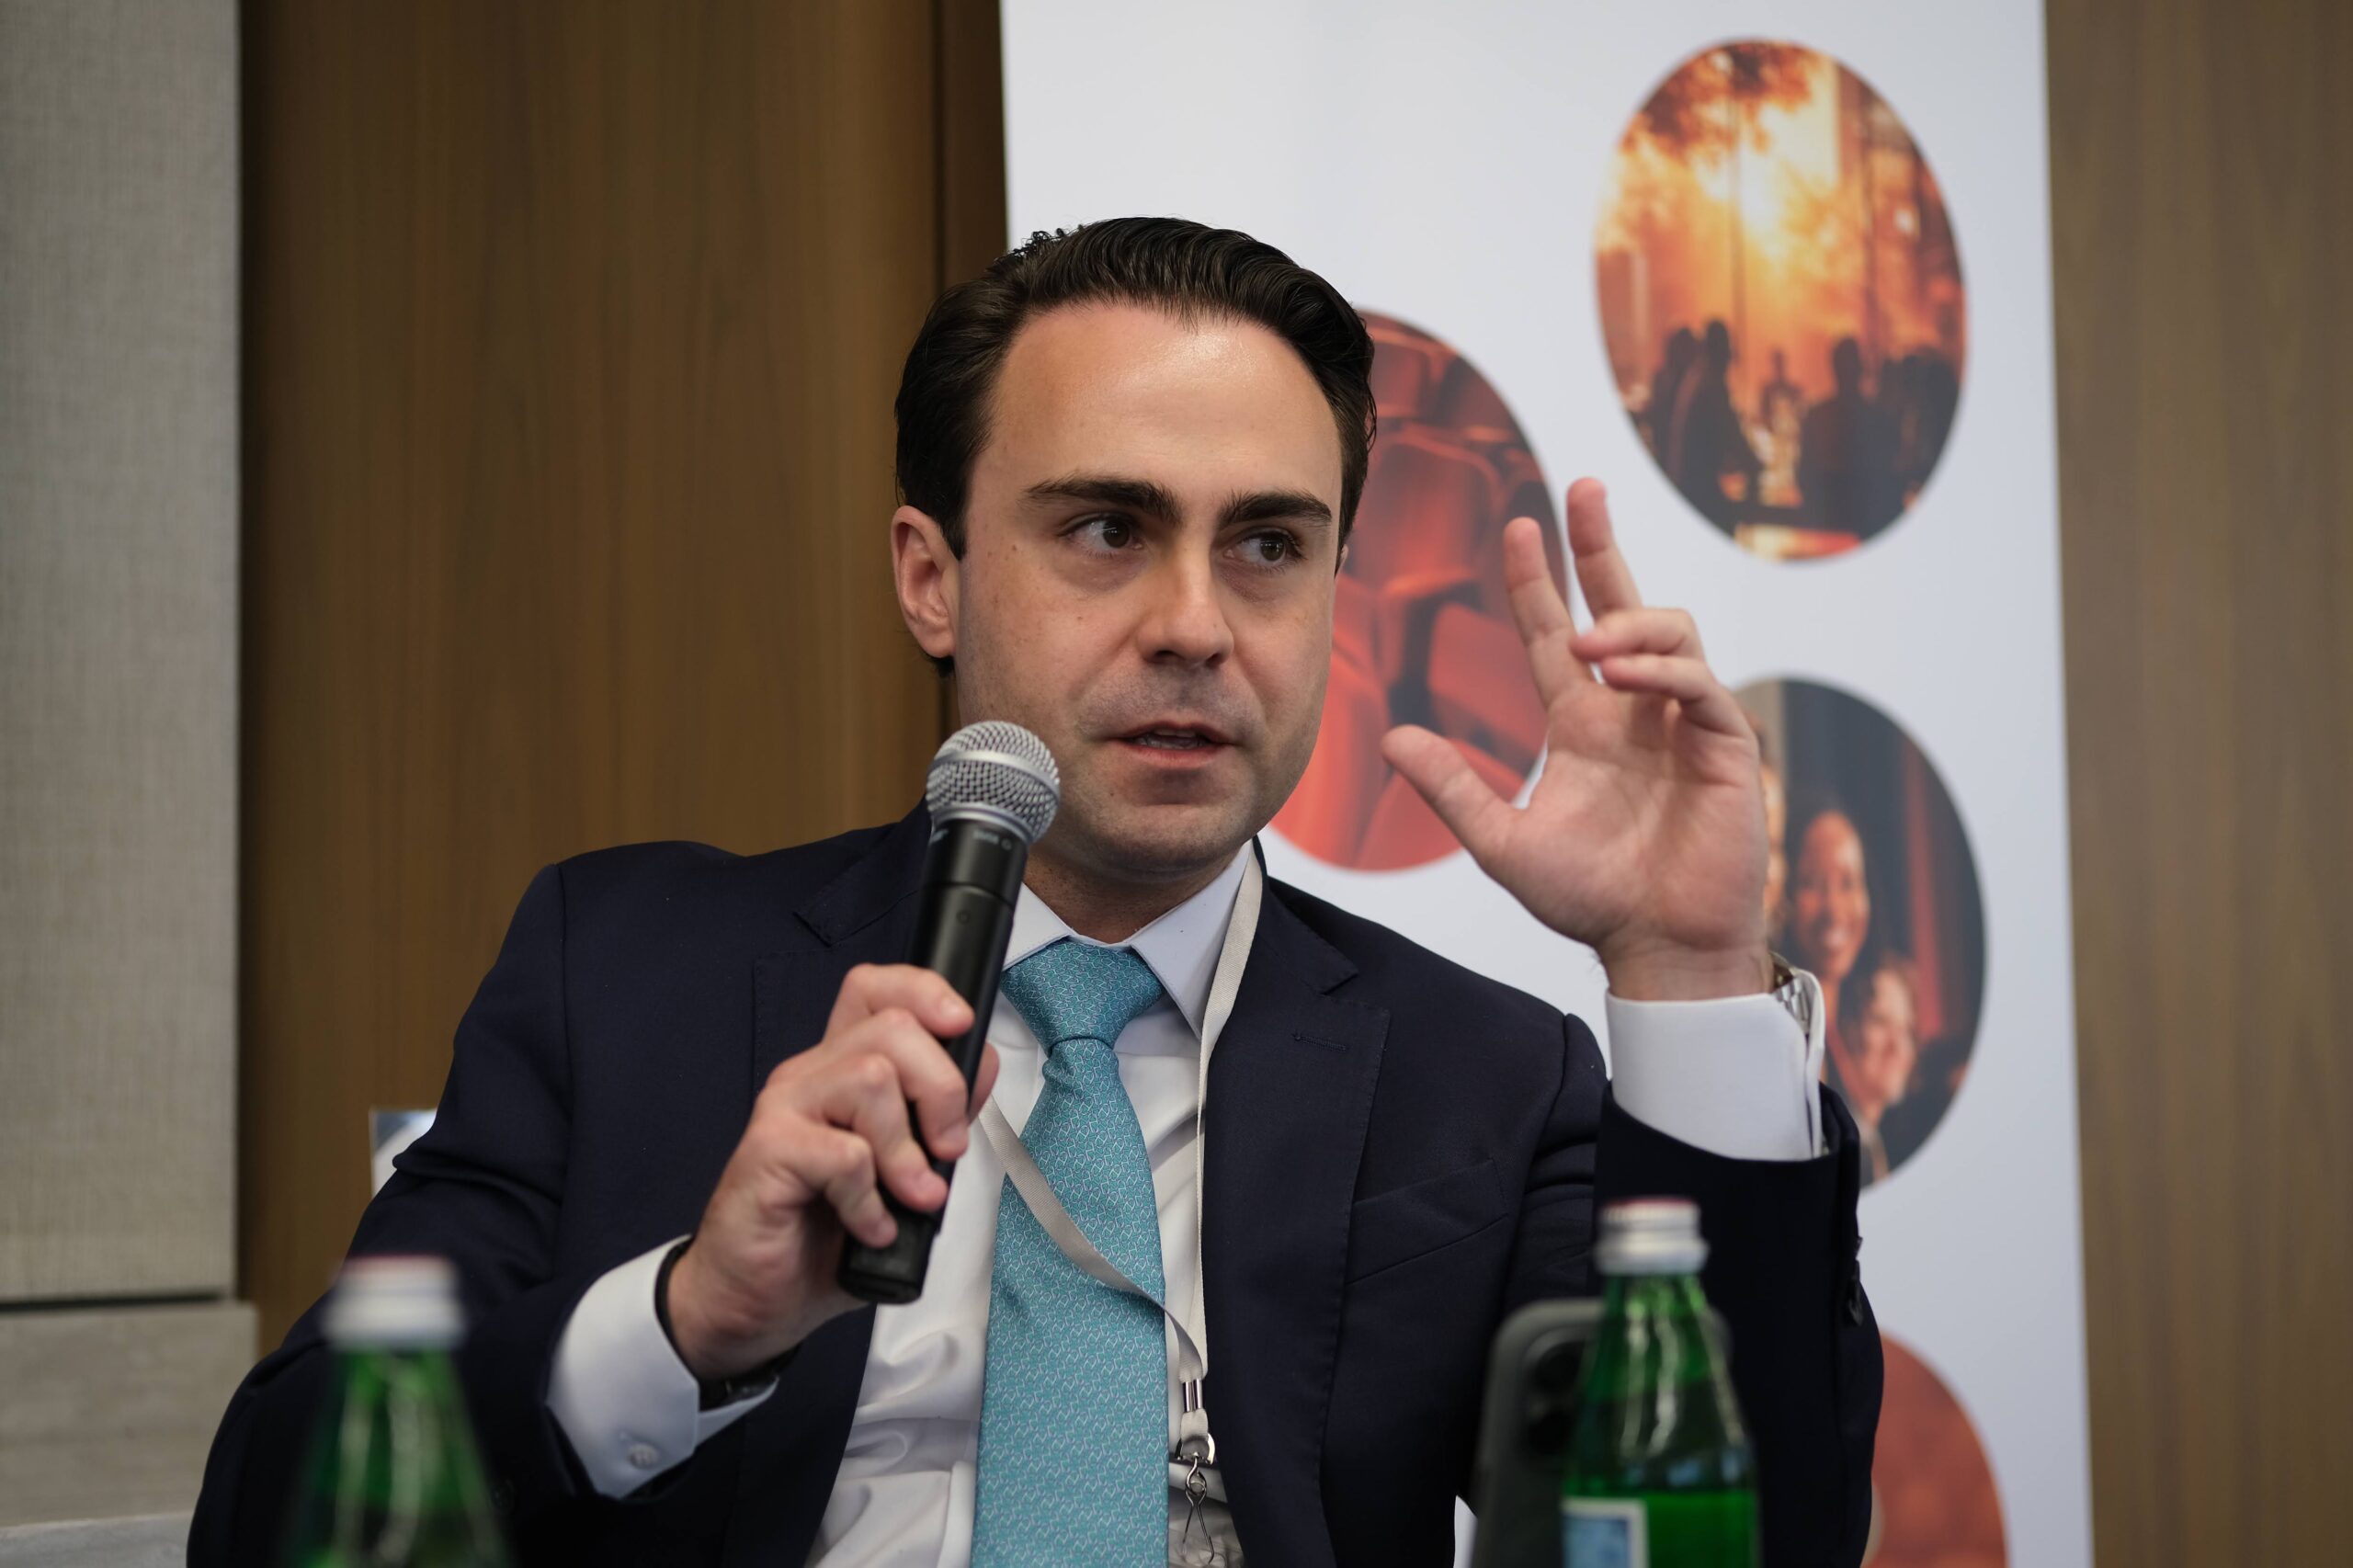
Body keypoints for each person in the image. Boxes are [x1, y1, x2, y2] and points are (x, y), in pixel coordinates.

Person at [192, 219, 1877, 1567]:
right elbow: (273, 1508)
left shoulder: (1484, 1077)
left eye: (1269, 546)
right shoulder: (626, 973)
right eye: (1106, 530)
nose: (1196, 625)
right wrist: (688, 1319)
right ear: (931, 578)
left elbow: (1753, 1537)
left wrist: (1688, 967)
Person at [1797, 336, 1905, 540]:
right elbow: (1892, 481)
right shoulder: (1879, 419)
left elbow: (1803, 476)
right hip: (1865, 527)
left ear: (1833, 369)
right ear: (1862, 369)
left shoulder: (1816, 416)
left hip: (1825, 524)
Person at [1664, 319, 1763, 533]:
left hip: (1687, 489)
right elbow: (1735, 439)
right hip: (1696, 495)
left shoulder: (1697, 378)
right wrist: (1756, 467)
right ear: (1720, 352)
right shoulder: (1711, 385)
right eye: (1727, 352)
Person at [1841, 952, 1922, 1187]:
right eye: (1880, 1022)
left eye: (1906, 1029)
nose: (1898, 1046)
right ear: (1847, 1029)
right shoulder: (1839, 1143)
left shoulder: (1872, 1142)